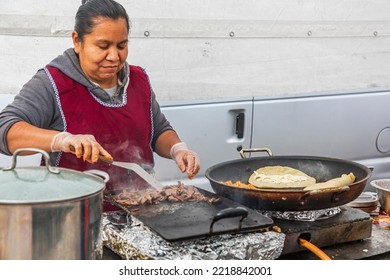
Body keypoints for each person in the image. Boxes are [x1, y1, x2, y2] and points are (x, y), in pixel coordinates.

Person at [0, 0, 200, 210]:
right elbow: (5, 129)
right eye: (103, 46)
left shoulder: (139, 80)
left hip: (141, 213)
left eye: (122, 46)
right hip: (74, 217)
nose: (114, 57)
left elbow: (158, 130)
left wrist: (178, 149)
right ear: (77, 41)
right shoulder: (52, 83)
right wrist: (62, 139)